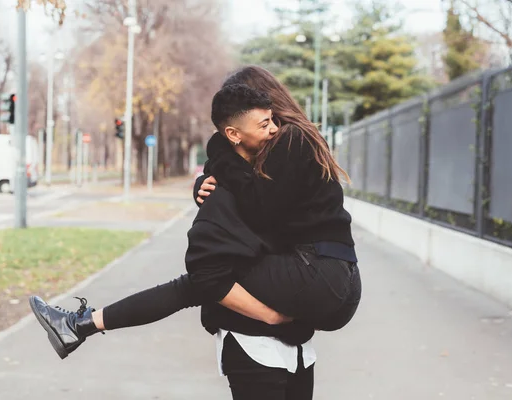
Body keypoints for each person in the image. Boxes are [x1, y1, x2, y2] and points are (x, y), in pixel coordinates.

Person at [29, 69, 361, 399]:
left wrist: (216, 166)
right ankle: (81, 325)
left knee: (202, 280)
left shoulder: (289, 140)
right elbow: (271, 216)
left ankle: (81, 324)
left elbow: (261, 208)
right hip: (331, 275)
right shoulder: (293, 142)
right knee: (206, 280)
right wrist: (212, 175)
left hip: (321, 272)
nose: (270, 129)